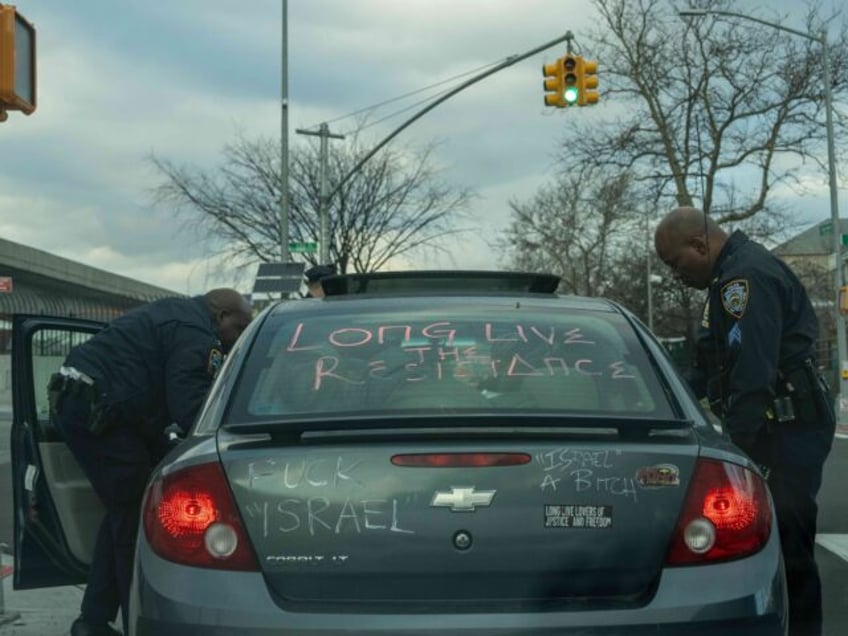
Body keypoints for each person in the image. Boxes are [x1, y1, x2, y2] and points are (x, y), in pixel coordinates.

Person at [654, 207, 835, 636]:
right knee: (768, 542)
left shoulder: (745, 279)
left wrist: (736, 451)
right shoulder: (725, 282)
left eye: (676, 264)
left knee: (790, 546)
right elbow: (707, 364)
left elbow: (752, 374)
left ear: (700, 245)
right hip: (773, 427)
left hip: (788, 429)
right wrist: (665, 401)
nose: (675, 275)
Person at [48, 289, 253, 636]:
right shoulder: (196, 333)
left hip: (88, 403)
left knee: (124, 509)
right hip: (103, 413)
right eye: (240, 328)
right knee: (136, 517)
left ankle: (93, 620)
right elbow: (190, 406)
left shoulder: (175, 314)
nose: (237, 340)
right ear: (220, 316)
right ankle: (134, 622)